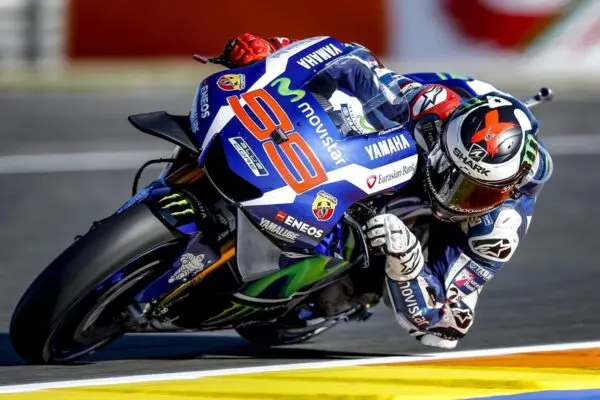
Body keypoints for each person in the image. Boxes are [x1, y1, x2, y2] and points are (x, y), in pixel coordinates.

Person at [219, 33, 553, 349]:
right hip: (411, 130)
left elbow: (445, 328)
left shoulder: (499, 228)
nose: (453, 194)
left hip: (427, 232)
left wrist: (407, 261)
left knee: (354, 282)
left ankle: (341, 287)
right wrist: (272, 51)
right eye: (450, 172)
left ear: (508, 188)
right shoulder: (430, 106)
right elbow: (351, 63)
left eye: (474, 191)